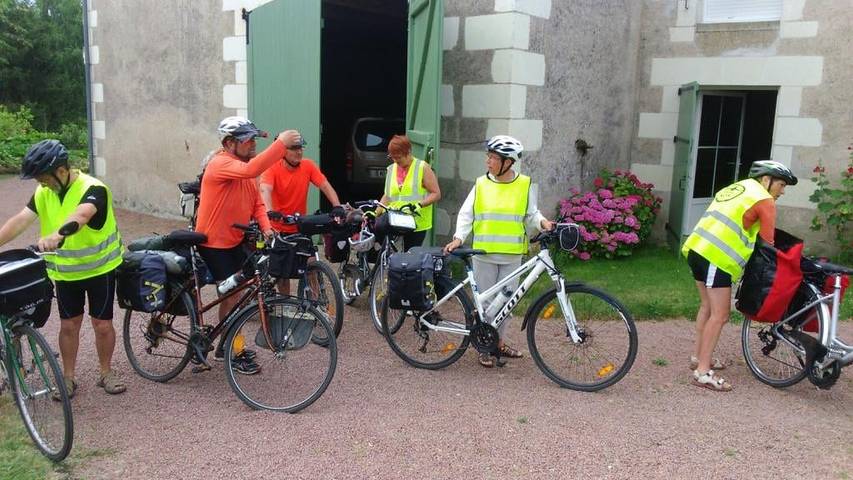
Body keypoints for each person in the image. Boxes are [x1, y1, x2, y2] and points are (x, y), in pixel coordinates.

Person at [0, 139, 126, 397]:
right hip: (67, 273)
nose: (41, 183)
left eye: (43, 178)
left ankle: (106, 372)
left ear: (61, 171)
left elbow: (81, 215)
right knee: (69, 326)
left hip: (99, 270)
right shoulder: (44, 192)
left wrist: (57, 235)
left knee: (102, 325)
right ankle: (67, 379)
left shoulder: (93, 188)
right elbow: (20, 220)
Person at [194, 116, 301, 374]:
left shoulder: (244, 169)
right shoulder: (221, 163)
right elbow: (252, 170)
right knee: (232, 297)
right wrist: (281, 144)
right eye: (247, 139)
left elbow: (257, 204)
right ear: (229, 143)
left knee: (240, 293)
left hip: (235, 240)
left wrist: (268, 229)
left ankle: (225, 344)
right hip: (214, 243)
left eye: (254, 138)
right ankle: (233, 350)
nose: (253, 143)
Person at [681, 160, 797, 391]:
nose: (782, 191)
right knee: (720, 315)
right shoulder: (764, 200)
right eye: (781, 185)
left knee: (707, 306)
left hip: (696, 248)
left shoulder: (737, 188)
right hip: (717, 257)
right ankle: (702, 372)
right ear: (766, 179)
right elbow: (768, 243)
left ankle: (698, 357)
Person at [444, 135, 554, 368]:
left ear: (508, 162)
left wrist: (543, 222)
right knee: (486, 305)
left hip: (512, 255)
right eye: (489, 157)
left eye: (493, 158)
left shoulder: (524, 184)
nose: (488, 161)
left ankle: (498, 343)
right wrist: (458, 238)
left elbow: (531, 214)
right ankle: (484, 347)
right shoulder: (481, 184)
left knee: (507, 304)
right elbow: (466, 214)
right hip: (484, 254)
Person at [259, 132, 342, 295]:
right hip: (278, 228)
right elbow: (265, 189)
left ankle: (316, 303)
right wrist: (269, 211)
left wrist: (337, 206)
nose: (299, 152)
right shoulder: (272, 169)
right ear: (282, 151)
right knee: (283, 275)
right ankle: (285, 303)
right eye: (294, 148)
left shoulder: (308, 166)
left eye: (301, 148)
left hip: (299, 226)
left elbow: (325, 185)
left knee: (311, 266)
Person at [379, 135, 441, 251]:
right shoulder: (391, 169)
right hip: (395, 219)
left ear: (408, 152)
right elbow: (387, 196)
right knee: (384, 248)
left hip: (416, 222)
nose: (396, 161)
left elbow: (436, 194)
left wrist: (419, 204)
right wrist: (376, 212)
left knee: (410, 256)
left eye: (398, 157)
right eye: (392, 157)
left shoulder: (422, 167)